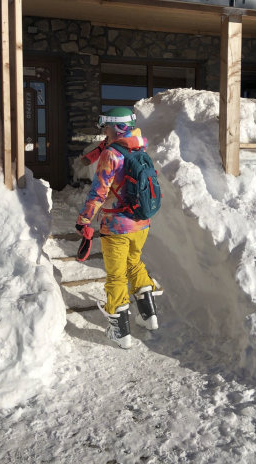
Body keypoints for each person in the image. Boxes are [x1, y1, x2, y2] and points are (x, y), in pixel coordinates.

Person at [76, 106, 162, 349]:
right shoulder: (139, 148)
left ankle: (120, 332)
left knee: (116, 276)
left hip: (116, 227)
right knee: (134, 263)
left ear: (115, 127)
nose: (105, 132)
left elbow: (99, 192)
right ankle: (149, 316)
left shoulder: (111, 154)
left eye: (106, 127)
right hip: (142, 222)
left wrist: (84, 219)